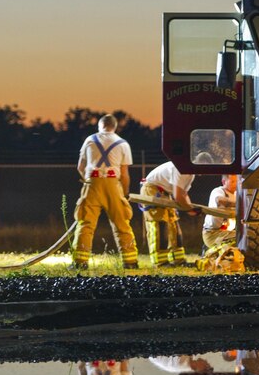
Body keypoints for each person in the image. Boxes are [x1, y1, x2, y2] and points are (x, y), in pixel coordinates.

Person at [70, 114, 139, 269]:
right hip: (113, 184)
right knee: (121, 223)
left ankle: (80, 262)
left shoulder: (89, 140)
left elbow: (80, 167)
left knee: (85, 223)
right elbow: (125, 173)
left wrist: (88, 181)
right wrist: (125, 193)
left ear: (100, 126)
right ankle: (130, 262)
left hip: (92, 184)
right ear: (114, 127)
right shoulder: (123, 144)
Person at [140, 160, 197, 267]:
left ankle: (178, 260)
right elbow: (178, 195)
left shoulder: (190, 173)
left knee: (173, 225)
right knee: (159, 225)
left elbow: (184, 194)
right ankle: (160, 262)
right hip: (152, 189)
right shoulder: (181, 169)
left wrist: (190, 208)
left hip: (165, 192)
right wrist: (189, 209)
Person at [202, 174, 238, 254]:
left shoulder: (236, 194)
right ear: (223, 181)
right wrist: (239, 204)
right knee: (239, 239)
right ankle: (211, 252)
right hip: (213, 233)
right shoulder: (218, 191)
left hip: (226, 232)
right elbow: (219, 200)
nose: (236, 184)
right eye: (232, 181)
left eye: (236, 181)